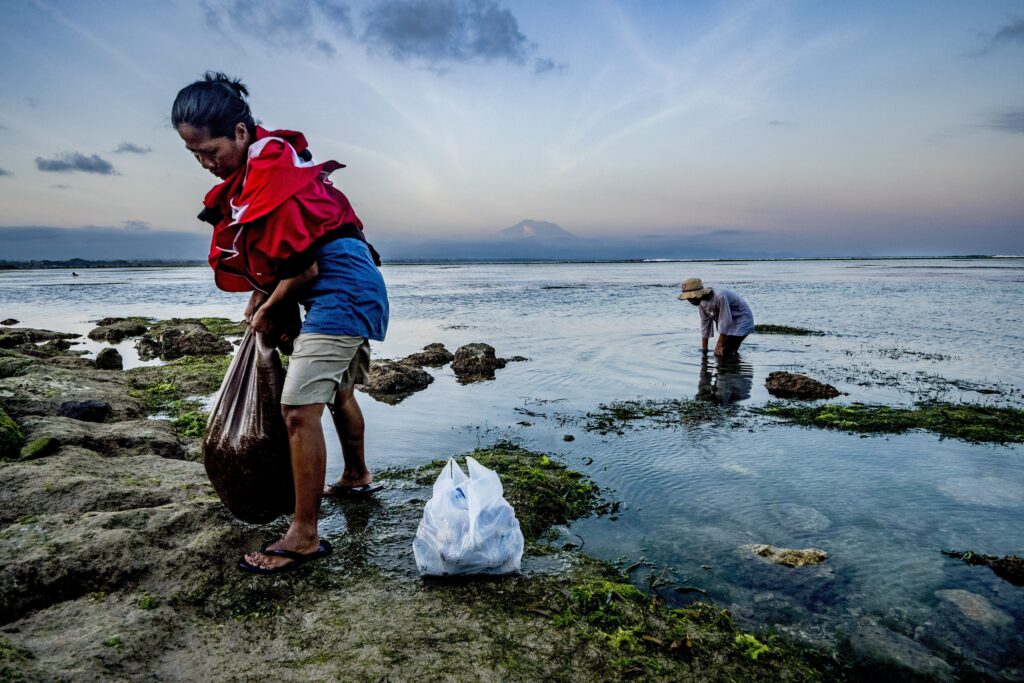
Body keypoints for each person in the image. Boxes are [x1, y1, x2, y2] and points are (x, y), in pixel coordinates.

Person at [172, 72, 389, 574]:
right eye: (196, 156)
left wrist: (270, 305)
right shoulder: (261, 175)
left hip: (344, 288)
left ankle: (305, 535)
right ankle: (356, 476)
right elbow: (283, 259)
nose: (207, 164)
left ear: (243, 133)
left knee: (296, 408)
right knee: (334, 390)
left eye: (212, 151)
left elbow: (304, 268)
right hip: (346, 282)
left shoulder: (271, 173)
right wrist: (260, 296)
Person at [677, 277, 753, 358]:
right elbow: (705, 325)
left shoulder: (719, 296)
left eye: (691, 298)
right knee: (723, 352)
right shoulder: (702, 303)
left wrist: (719, 345)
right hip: (730, 324)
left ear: (698, 293)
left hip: (742, 320)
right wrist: (704, 351)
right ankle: (731, 365)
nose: (690, 301)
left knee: (724, 352)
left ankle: (733, 367)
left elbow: (725, 320)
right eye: (688, 299)